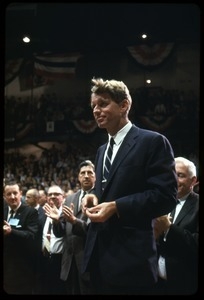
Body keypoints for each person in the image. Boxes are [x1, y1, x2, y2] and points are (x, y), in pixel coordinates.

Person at [81, 77, 178, 295]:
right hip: (98, 258)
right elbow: (108, 193)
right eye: (93, 106)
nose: (96, 110)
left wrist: (116, 207)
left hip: (131, 262)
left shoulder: (152, 141)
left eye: (103, 104)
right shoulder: (101, 150)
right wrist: (94, 198)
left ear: (124, 104)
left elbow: (165, 196)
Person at [45, 160, 96, 294]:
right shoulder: (69, 199)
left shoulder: (100, 198)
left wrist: (75, 221)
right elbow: (61, 232)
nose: (86, 176)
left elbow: (95, 232)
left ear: (95, 176)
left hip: (89, 262)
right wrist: (56, 222)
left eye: (90, 173)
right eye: (83, 173)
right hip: (68, 263)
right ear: (78, 177)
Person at [153, 156, 199, 295]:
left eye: (180, 175)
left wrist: (169, 228)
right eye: (172, 174)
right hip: (156, 284)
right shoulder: (162, 202)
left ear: (193, 181)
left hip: (185, 285)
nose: (174, 180)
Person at [3, 181, 39, 294]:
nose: (12, 197)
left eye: (15, 193)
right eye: (9, 194)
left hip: (22, 268)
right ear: (4, 196)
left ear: (21, 194)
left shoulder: (30, 212)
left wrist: (11, 231)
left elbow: (31, 235)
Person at [40, 185, 66, 295]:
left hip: (60, 259)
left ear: (63, 197)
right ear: (46, 198)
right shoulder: (42, 213)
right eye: (50, 194)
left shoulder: (67, 213)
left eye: (56, 194)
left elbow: (61, 232)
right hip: (44, 257)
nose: (53, 196)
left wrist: (56, 221)